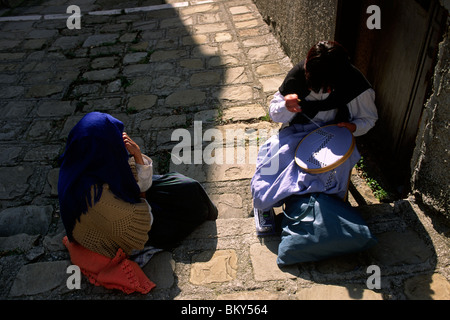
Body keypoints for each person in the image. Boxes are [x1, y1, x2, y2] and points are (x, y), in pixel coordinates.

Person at [58, 112, 218, 293]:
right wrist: (141, 190)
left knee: (185, 185)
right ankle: (207, 211)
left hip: (125, 205)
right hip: (131, 225)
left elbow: (134, 180)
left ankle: (205, 207)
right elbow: (143, 221)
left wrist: (137, 156)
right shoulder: (97, 199)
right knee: (188, 208)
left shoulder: (83, 163)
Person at [251, 41, 378, 231]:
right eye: (319, 86)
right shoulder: (298, 76)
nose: (324, 92)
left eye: (329, 87)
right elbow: (274, 113)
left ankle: (327, 209)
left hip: (333, 135)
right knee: (275, 160)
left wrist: (353, 127)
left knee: (330, 169)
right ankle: (263, 205)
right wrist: (285, 106)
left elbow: (369, 119)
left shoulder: (354, 83)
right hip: (297, 131)